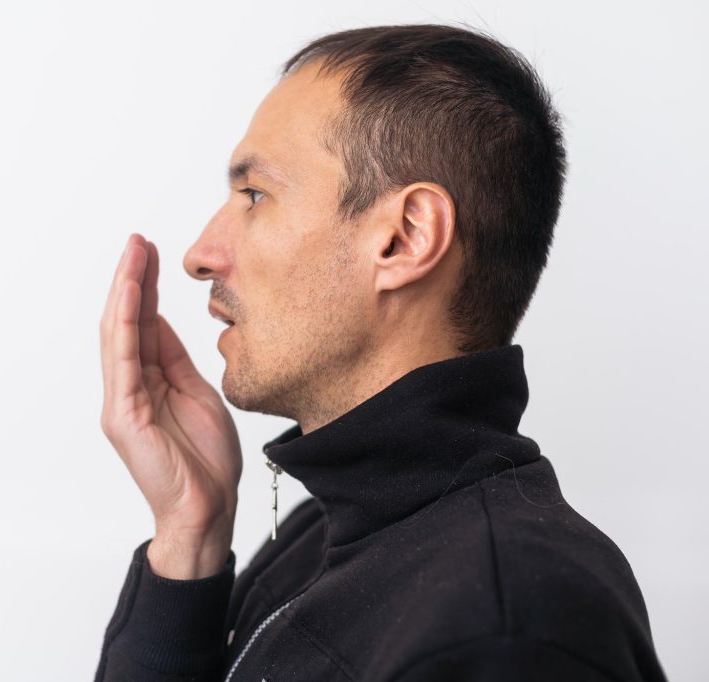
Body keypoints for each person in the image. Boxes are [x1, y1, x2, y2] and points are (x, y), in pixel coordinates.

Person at [94, 23, 667, 682]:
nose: (201, 254)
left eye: (255, 195)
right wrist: (188, 538)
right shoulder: (323, 535)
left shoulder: (509, 628)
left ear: (404, 238)